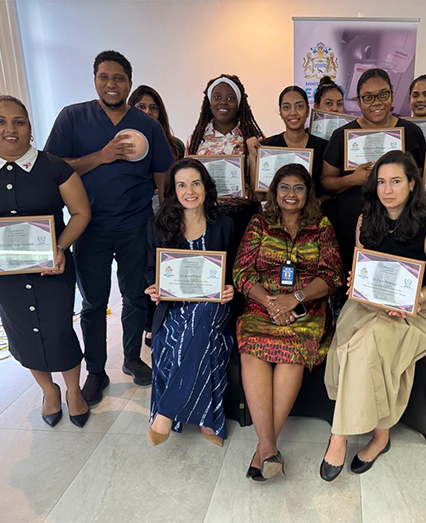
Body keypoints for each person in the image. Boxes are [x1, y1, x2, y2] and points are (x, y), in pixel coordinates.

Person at [45, 50, 175, 406]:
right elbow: (55, 168)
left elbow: (164, 173)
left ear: (129, 83)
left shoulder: (146, 124)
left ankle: (132, 358)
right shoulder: (73, 118)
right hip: (89, 227)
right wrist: (99, 157)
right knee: (93, 303)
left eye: (118, 78)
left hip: (136, 225)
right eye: (104, 77)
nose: (111, 84)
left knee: (134, 297)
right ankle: (97, 371)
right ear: (95, 80)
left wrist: (165, 217)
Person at [0, 96, 92, 427]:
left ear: (30, 128)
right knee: (21, 330)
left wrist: (59, 248)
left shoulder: (54, 166)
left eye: (19, 121)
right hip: (5, 276)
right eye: (0, 121)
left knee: (59, 329)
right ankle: (48, 391)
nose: (10, 129)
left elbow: (80, 213)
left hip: (54, 267)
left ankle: (73, 390)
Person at [320, 151, 426, 481]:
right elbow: (362, 267)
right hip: (367, 304)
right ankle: (382, 434)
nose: (387, 189)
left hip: (414, 311)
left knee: (366, 343)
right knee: (350, 343)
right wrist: (356, 282)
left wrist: (414, 297)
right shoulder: (366, 219)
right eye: (381, 181)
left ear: (412, 184)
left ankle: (342, 436)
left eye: (395, 181)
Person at [233, 164, 342, 481]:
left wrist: (294, 299)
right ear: (274, 191)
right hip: (261, 304)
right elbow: (242, 272)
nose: (291, 194)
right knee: (252, 348)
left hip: (306, 306)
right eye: (284, 187)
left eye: (298, 188)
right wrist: (270, 302)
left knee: (292, 350)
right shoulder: (259, 223)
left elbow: (331, 274)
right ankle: (268, 449)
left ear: (308, 193)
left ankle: (263, 449)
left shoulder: (321, 226)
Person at [143, 159, 235, 447]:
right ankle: (209, 418)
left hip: (216, 304)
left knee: (204, 314)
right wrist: (155, 289)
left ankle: (166, 412)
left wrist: (231, 288)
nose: (189, 190)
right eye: (181, 185)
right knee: (173, 341)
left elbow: (235, 270)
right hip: (175, 304)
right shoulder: (159, 225)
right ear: (173, 191)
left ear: (206, 187)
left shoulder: (225, 224)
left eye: (196, 183)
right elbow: (150, 269)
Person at [322, 68, 426, 277]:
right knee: (351, 283)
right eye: (368, 98)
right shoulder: (342, 135)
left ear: (391, 95)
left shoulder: (412, 133)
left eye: (383, 94)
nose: (376, 102)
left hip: (400, 227)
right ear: (359, 101)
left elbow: (420, 180)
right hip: (351, 224)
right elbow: (325, 182)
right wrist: (353, 179)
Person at [185, 73, 264, 265]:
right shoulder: (196, 139)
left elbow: (261, 191)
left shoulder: (253, 137)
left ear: (239, 103)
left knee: (242, 271)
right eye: (217, 97)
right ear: (209, 102)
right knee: (214, 270)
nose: (223, 102)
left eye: (230, 98)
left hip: (244, 215)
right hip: (209, 217)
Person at [128, 84, 185, 350]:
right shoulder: (124, 143)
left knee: (164, 266)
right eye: (141, 107)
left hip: (167, 214)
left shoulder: (176, 145)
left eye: (154, 107)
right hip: (137, 215)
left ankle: (158, 321)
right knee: (143, 271)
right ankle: (147, 326)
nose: (148, 112)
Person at [247, 86, 329, 202]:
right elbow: (260, 196)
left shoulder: (323, 147)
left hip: (313, 215)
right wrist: (252, 157)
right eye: (286, 107)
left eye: (299, 106)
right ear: (280, 112)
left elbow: (329, 193)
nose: (293, 112)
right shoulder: (268, 146)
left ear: (307, 110)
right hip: (277, 216)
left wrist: (316, 204)